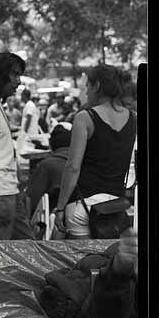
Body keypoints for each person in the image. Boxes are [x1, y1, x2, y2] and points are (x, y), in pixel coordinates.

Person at [53, 65, 136, 238]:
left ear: (97, 86)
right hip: (115, 207)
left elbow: (72, 167)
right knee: (107, 262)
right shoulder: (134, 118)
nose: (86, 92)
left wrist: (60, 208)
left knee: (83, 262)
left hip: (83, 205)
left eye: (87, 87)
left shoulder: (85, 117)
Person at [0, 52, 35, 239]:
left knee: (28, 247)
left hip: (10, 190)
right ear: (0, 74)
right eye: (15, 75)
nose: (18, 82)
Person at [28, 124, 72, 214]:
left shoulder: (47, 165)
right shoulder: (85, 161)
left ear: (51, 145)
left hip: (55, 215)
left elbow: (33, 198)